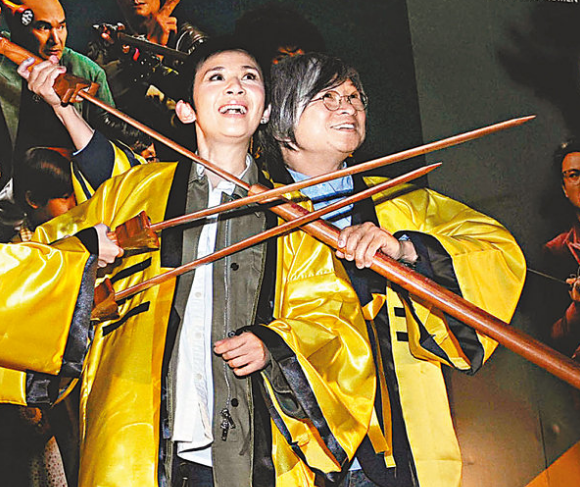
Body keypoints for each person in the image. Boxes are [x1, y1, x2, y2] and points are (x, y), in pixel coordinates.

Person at [18, 37, 375, 487]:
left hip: (248, 446)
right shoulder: (136, 189)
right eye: (216, 77)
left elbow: (331, 315)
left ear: (265, 111)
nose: (235, 87)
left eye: (249, 78)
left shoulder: (292, 214)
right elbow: (42, 260)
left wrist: (273, 343)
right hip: (137, 434)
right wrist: (89, 256)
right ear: (186, 110)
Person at [261, 52, 526, 487]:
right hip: (298, 438)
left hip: (399, 440)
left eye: (353, 97)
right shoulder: (256, 212)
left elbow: (497, 252)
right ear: (278, 119)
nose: (347, 107)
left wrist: (407, 250)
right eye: (327, 97)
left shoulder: (399, 201)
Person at [0, 0, 115, 191]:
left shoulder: (89, 72)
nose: (55, 40)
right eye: (43, 28)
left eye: (61, 26)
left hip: (72, 192)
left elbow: (109, 148)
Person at [543, 140, 580, 361]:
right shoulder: (555, 251)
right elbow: (552, 340)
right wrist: (577, 306)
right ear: (564, 188)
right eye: (574, 175)